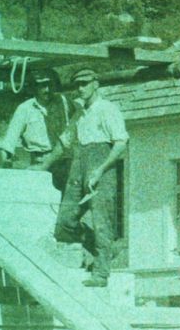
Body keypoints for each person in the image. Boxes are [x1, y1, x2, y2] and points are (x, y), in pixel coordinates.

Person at [54, 66, 127, 286]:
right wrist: (42, 165)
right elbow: (64, 142)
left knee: (102, 221)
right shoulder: (79, 114)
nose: (81, 88)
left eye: (85, 83)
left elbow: (121, 143)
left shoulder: (108, 109)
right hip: (79, 166)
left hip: (102, 166)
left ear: (96, 84)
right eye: (77, 84)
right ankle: (106, 249)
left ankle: (101, 274)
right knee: (64, 222)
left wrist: (100, 169)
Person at [0, 67, 69, 177]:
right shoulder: (25, 109)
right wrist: (0, 165)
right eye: (42, 86)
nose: (47, 90)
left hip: (64, 162)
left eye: (50, 85)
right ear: (34, 87)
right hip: (40, 163)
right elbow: (9, 141)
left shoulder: (63, 102)